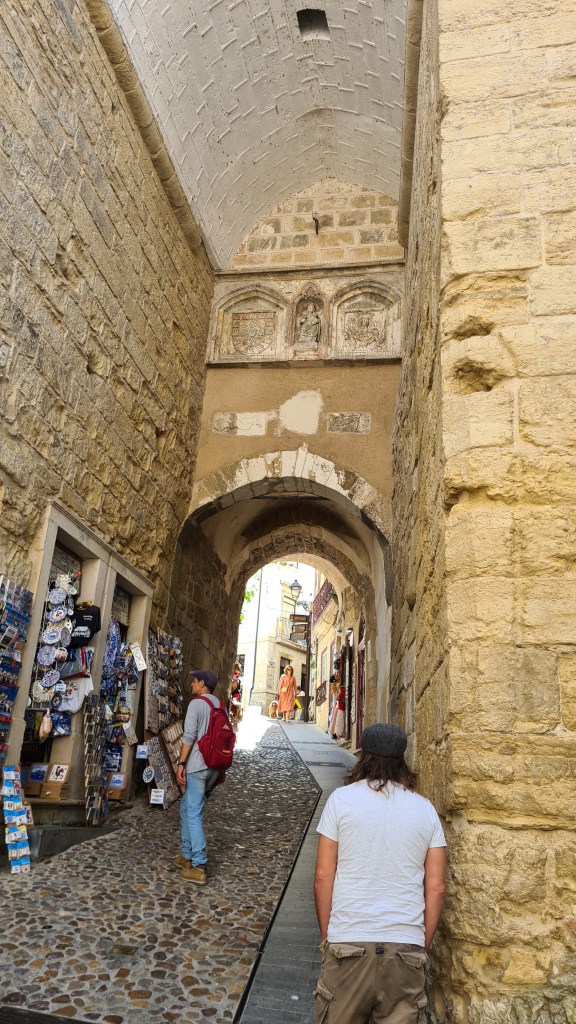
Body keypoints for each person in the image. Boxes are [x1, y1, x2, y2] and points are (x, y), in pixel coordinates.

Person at [314, 723, 446, 1024]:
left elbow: (323, 876)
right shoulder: (425, 810)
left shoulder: (340, 801)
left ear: (364, 756)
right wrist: (419, 944)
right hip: (405, 947)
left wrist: (327, 937)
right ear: (402, 760)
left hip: (348, 940)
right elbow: (437, 887)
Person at [175, 669, 222, 886]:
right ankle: (187, 856)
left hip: (198, 764)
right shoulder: (219, 705)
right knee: (186, 807)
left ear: (202, 684)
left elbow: (189, 736)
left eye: (194, 681)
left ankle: (199, 865)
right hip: (214, 767)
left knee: (193, 812)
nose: (192, 684)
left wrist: (181, 763)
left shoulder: (196, 704)